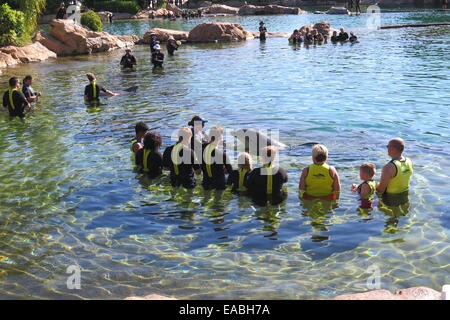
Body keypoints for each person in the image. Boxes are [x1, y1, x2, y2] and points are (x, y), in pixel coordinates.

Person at [201, 126, 233, 190]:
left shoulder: (200, 151)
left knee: (206, 198)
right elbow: (231, 172)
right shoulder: (222, 154)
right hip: (219, 184)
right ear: (219, 138)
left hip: (206, 182)